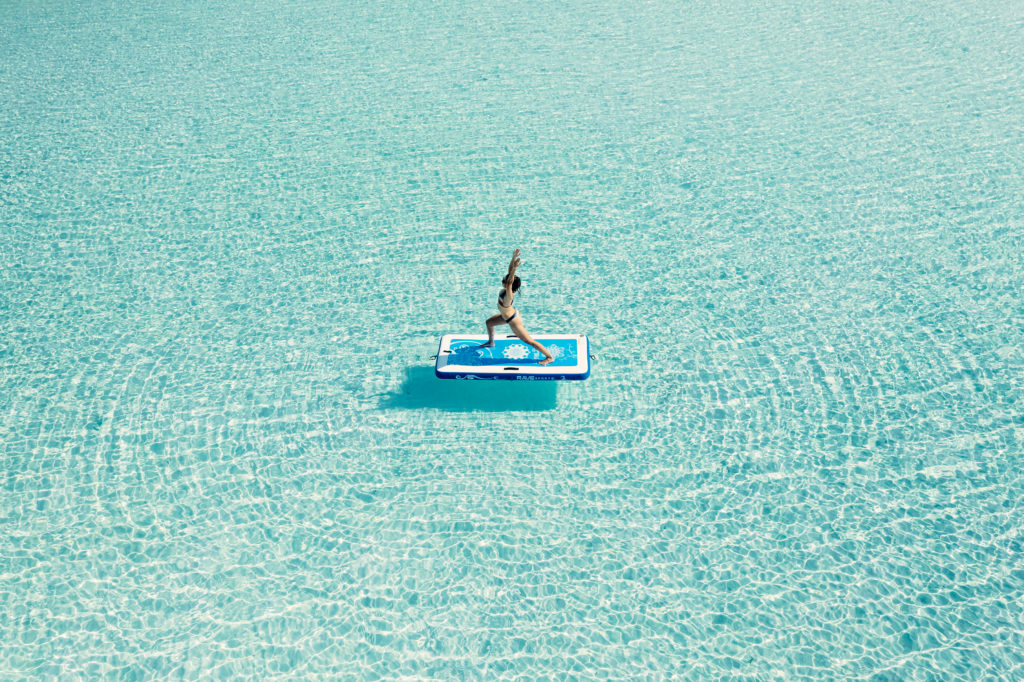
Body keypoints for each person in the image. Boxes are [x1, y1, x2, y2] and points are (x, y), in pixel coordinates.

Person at [480, 248, 554, 365]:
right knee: (489, 323)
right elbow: (510, 275)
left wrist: (515, 268)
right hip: (506, 315)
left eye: (504, 280)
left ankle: (549, 357)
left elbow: (510, 281)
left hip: (513, 320)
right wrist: (513, 258)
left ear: (508, 284)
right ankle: (491, 342)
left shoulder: (509, 295)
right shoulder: (507, 288)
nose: (502, 280)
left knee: (529, 341)